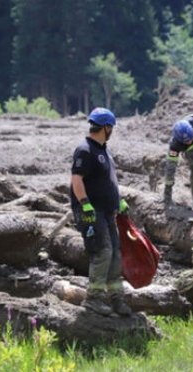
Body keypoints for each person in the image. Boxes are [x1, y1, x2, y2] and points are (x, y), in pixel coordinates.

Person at [70, 108, 131, 316]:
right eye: (111, 127)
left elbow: (107, 181)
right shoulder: (85, 150)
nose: (112, 131)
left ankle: (117, 300)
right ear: (105, 127)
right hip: (91, 211)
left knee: (114, 252)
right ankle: (93, 300)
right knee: (102, 251)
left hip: (106, 211)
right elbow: (76, 179)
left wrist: (118, 201)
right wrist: (85, 203)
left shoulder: (104, 150)